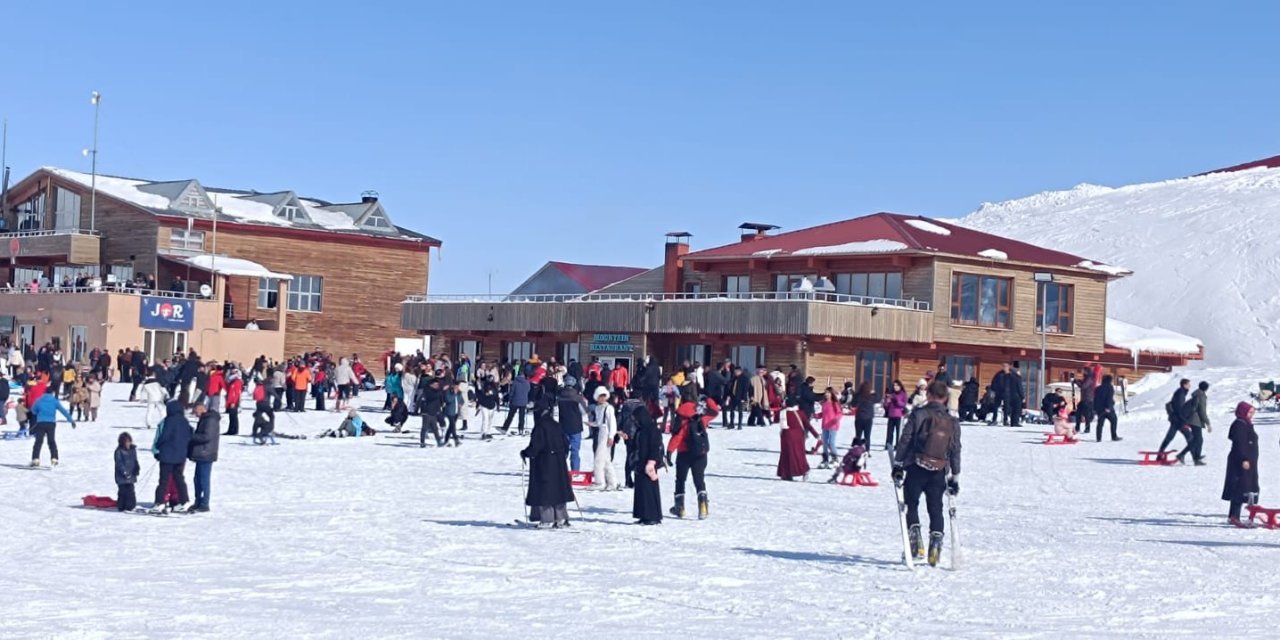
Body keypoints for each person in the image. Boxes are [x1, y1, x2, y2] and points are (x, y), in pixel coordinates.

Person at [892, 380, 961, 567]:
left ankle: (916, 542)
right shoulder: (952, 421)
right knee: (935, 508)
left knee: (911, 504)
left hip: (916, 466)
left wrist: (898, 463)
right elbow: (955, 449)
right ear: (945, 398)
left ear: (928, 395)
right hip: (939, 470)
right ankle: (936, 542)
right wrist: (955, 476)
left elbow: (906, 438)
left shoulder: (919, 414)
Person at [520, 398, 575, 528]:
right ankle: (561, 518)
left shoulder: (540, 426)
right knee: (559, 488)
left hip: (544, 462)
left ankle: (547, 519)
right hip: (559, 461)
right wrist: (563, 455)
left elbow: (536, 446)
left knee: (545, 490)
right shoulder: (557, 425)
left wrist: (525, 453)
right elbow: (566, 443)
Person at [667, 398, 717, 519]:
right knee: (699, 480)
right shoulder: (701, 418)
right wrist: (708, 400)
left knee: (680, 480)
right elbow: (715, 412)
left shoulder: (683, 421)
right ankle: (703, 507)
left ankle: (680, 507)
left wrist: (669, 452)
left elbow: (677, 437)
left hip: (684, 454)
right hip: (700, 454)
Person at [1223, 402, 1260, 528]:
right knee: (1239, 486)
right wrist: (1244, 459)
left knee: (1248, 487)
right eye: (1249, 412)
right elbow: (1240, 443)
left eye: (1252, 413)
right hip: (1241, 461)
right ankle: (1234, 516)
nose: (1251, 415)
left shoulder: (1246, 423)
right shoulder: (1239, 424)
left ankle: (1246, 515)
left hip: (1250, 461)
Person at [152, 400, 193, 513]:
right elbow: (190, 435)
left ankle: (160, 502)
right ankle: (184, 501)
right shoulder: (185, 422)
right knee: (179, 479)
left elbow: (164, 436)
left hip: (167, 455)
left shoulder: (169, 421)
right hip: (180, 456)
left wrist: (158, 447)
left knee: (164, 480)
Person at [631, 404, 664, 524]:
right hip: (640, 462)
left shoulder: (652, 429)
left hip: (648, 463)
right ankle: (643, 514)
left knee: (649, 490)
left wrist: (651, 462)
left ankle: (653, 516)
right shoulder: (640, 429)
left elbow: (655, 447)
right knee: (641, 491)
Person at [31, 389, 75, 468]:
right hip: (51, 423)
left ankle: (35, 459)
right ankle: (54, 458)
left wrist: (39, 413)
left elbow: (33, 410)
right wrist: (71, 420)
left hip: (41, 423)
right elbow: (63, 411)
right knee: (51, 441)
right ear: (52, 392)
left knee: (38, 442)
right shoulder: (54, 401)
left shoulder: (39, 400)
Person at [189, 403, 220, 512]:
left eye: (196, 411)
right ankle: (198, 500)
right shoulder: (205, 419)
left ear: (202, 409)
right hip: (201, 452)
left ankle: (204, 503)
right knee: (197, 479)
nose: (195, 414)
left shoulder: (210, 420)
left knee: (204, 479)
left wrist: (191, 436)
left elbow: (207, 436)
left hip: (206, 453)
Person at [588, 386, 620, 490]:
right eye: (600, 396)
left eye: (604, 396)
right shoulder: (598, 408)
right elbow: (599, 422)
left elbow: (612, 423)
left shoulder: (608, 408)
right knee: (606, 459)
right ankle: (612, 482)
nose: (602, 398)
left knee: (598, 458)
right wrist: (591, 424)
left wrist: (611, 436)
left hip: (607, 433)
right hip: (601, 432)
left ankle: (599, 481)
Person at [777, 396, 811, 481]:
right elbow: (807, 425)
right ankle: (804, 469)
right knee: (799, 455)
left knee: (786, 455)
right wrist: (816, 435)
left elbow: (775, 419)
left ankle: (786, 473)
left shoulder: (783, 413)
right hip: (799, 437)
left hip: (786, 436)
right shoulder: (800, 413)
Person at [557, 377, 587, 470]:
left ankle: (560, 470)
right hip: (575, 426)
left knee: (562, 450)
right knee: (575, 450)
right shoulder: (578, 397)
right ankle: (575, 471)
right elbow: (584, 411)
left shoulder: (560, 396)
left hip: (563, 425)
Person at [1179, 381, 1211, 465]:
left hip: (1193, 420)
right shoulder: (1201, 396)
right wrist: (1208, 423)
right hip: (1195, 420)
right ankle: (1183, 455)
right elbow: (1202, 411)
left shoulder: (1196, 394)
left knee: (1198, 440)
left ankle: (1196, 457)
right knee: (1197, 440)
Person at [1158, 379, 1192, 454]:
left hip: (1175, 419)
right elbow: (1179, 408)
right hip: (1178, 420)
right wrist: (1184, 420)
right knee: (1190, 437)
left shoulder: (1181, 392)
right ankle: (1192, 456)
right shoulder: (1181, 393)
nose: (1190, 385)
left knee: (1169, 437)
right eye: (1188, 384)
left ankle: (1159, 454)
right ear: (1184, 385)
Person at [114, 432, 141, 512]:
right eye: (126, 442)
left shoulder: (132, 450)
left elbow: (135, 461)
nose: (128, 443)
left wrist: (137, 468)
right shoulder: (119, 451)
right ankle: (121, 506)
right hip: (122, 477)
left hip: (131, 475)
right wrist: (125, 472)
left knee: (130, 491)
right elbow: (119, 464)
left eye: (129, 441)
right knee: (122, 491)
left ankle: (130, 506)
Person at [818, 388, 842, 468]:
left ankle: (835, 459)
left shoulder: (835, 403)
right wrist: (816, 415)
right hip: (825, 425)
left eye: (828, 393)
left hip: (833, 426)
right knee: (824, 443)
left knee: (831, 443)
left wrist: (836, 419)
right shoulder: (824, 403)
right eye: (826, 393)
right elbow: (823, 414)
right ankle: (825, 459)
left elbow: (839, 413)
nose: (826, 394)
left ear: (832, 394)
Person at [1093, 374, 1121, 442]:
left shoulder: (1097, 388)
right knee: (1114, 420)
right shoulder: (1110, 387)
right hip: (1107, 409)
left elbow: (1095, 399)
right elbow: (1109, 398)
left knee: (1100, 424)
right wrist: (1108, 407)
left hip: (1099, 409)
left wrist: (1095, 409)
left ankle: (1098, 438)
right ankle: (1114, 436)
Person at [884, 380, 908, 450]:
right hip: (891, 415)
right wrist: (887, 402)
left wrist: (896, 400)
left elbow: (903, 404)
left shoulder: (903, 394)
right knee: (889, 432)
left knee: (899, 432)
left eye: (897, 385)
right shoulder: (891, 394)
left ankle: (898, 446)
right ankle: (888, 445)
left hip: (899, 415)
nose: (895, 387)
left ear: (900, 386)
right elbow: (886, 405)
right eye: (894, 385)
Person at [852, 382, 876, 446]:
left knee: (858, 435)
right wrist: (874, 393)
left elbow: (853, 404)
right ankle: (867, 450)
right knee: (867, 435)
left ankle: (857, 448)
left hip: (859, 417)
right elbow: (878, 399)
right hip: (868, 418)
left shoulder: (858, 395)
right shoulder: (871, 396)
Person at [442, 380, 465, 447]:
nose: (457, 387)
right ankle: (456, 440)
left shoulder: (459, 392)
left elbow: (462, 400)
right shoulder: (449, 391)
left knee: (451, 427)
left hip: (456, 411)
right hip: (449, 411)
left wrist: (460, 404)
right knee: (453, 426)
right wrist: (454, 394)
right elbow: (448, 400)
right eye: (456, 386)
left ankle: (446, 441)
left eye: (458, 386)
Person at [1002, 364, 1024, 428]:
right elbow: (1020, 387)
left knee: (1012, 409)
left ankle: (1012, 422)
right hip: (1016, 395)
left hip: (1009, 395)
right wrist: (1022, 396)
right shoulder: (1017, 377)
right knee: (1017, 409)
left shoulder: (1007, 376)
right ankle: (1015, 422)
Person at [223, 368, 243, 436]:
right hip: (230, 400)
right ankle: (231, 429)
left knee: (233, 416)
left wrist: (233, 402)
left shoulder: (237, 382)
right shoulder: (232, 381)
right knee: (231, 416)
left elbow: (236, 393)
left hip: (234, 401)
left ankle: (234, 430)